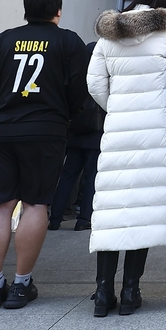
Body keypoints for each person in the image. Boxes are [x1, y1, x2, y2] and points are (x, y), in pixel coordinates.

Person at [0, 0, 89, 310]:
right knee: (36, 203)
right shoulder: (68, 41)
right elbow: (79, 90)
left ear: (25, 8)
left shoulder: (3, 41)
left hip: (2, 130)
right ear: (58, 10)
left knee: (0, 205)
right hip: (46, 130)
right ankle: (21, 285)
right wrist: (65, 116)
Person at [88, 0, 166, 318]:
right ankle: (130, 292)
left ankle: (103, 292)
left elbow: (93, 83)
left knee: (113, 213)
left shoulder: (108, 34)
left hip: (118, 133)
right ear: (163, 4)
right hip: (153, 133)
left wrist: (116, 108)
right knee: (143, 210)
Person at [49, 42, 104, 232]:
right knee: (91, 177)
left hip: (76, 133)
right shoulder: (104, 76)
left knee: (67, 176)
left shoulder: (76, 75)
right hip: (97, 132)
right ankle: (84, 219)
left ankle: (55, 218)